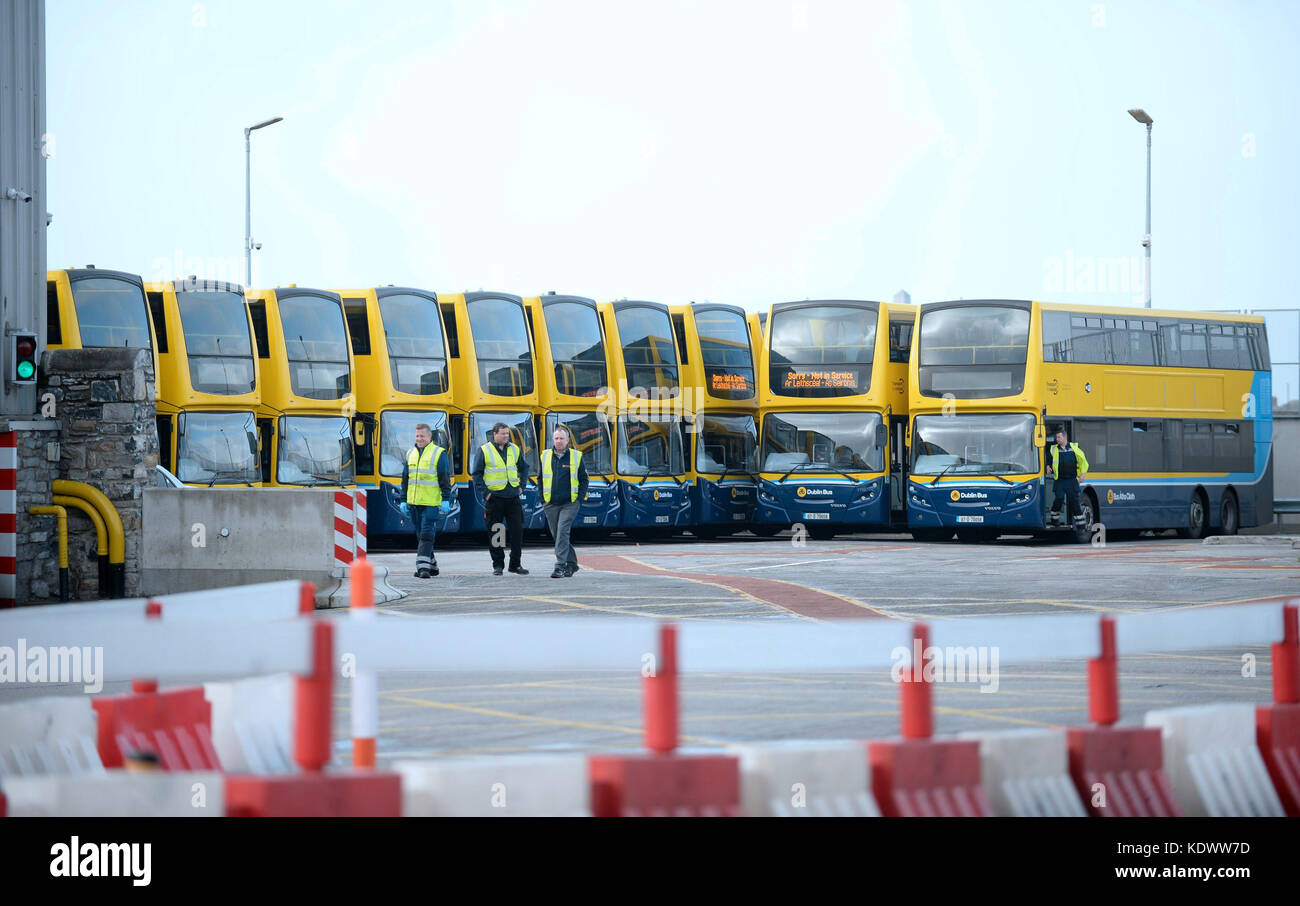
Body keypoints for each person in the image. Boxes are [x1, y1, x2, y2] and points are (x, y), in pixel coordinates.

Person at [472, 421, 531, 575]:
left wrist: (522, 486)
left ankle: (515, 565)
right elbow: (476, 474)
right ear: (495, 434)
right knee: (497, 533)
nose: (506, 436)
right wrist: (486, 493)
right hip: (495, 498)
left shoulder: (514, 449)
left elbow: (524, 468)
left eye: (507, 434)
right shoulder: (484, 450)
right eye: (503, 434)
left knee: (517, 531)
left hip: (513, 498)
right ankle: (498, 565)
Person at [400, 423, 452, 578]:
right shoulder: (410, 453)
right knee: (419, 535)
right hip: (414, 503)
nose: (419, 439)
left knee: (426, 535)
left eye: (422, 436)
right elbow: (405, 479)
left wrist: (446, 499)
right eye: (417, 436)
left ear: (430, 437)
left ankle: (423, 568)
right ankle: (433, 566)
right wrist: (403, 499)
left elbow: (444, 478)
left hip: (431, 503)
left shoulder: (439, 453)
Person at [542, 426, 589, 578]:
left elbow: (584, 480)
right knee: (557, 535)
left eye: (562, 438)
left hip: (570, 503)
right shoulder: (545, 456)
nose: (559, 441)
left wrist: (579, 499)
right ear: (553, 440)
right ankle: (572, 564)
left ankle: (560, 566)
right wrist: (542, 498)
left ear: (568, 440)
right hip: (550, 503)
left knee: (562, 531)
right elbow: (540, 478)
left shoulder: (576, 456)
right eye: (556, 438)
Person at [1048, 429, 1089, 528]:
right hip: (1060, 480)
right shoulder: (1053, 449)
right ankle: (1054, 519)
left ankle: (1081, 525)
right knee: (1059, 498)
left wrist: (1083, 474)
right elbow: (1048, 460)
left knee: (1075, 501)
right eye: (1056, 437)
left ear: (1065, 437)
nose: (1057, 439)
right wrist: (1047, 466)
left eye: (1059, 437)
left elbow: (1083, 461)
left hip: (1072, 480)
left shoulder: (1074, 447)